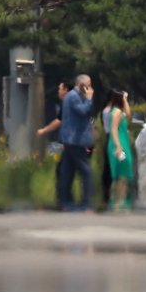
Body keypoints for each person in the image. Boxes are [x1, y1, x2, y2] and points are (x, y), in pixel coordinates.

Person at [58, 74, 95, 211]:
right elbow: (83, 111)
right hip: (75, 139)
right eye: (88, 85)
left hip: (71, 139)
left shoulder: (73, 96)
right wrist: (89, 99)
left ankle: (65, 201)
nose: (90, 88)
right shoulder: (73, 97)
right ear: (81, 85)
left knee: (67, 171)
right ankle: (87, 202)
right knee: (86, 171)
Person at [105, 89, 134, 211]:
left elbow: (128, 114)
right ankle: (117, 202)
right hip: (119, 144)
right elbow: (113, 130)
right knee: (121, 173)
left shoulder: (118, 112)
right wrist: (118, 146)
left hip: (122, 143)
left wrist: (125, 100)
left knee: (124, 172)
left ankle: (119, 201)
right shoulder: (116, 113)